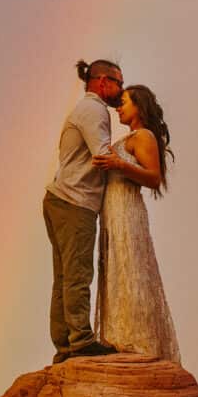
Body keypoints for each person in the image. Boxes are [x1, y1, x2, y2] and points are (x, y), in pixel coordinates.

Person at [93, 83, 180, 360]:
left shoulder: (143, 136)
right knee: (117, 269)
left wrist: (120, 165)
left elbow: (154, 178)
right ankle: (119, 337)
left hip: (127, 211)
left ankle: (137, 340)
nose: (119, 107)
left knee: (131, 268)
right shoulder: (126, 138)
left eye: (124, 102)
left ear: (139, 106)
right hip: (111, 213)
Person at [44, 58, 124, 361]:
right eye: (118, 82)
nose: (121, 89)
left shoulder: (85, 109)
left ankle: (64, 344)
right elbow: (102, 155)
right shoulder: (94, 110)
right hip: (75, 201)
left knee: (64, 277)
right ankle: (80, 341)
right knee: (77, 274)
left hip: (60, 199)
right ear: (102, 82)